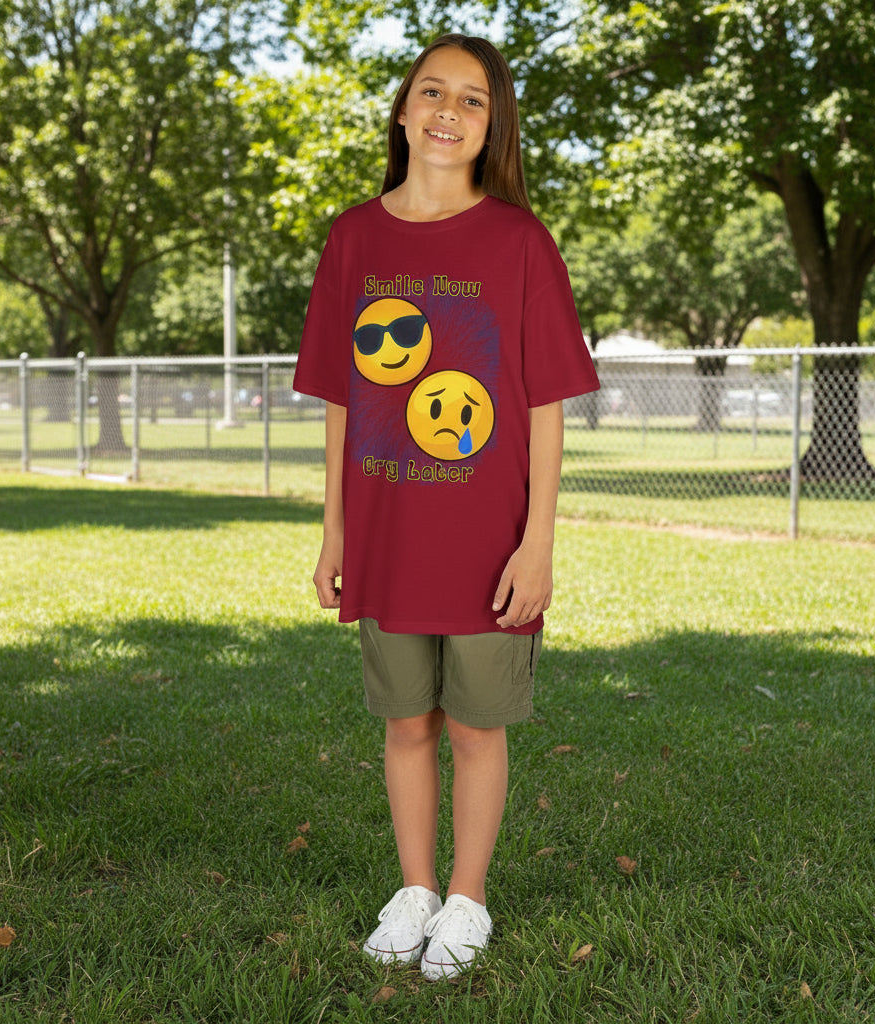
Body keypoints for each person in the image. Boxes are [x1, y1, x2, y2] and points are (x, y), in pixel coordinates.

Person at [293, 33, 599, 981]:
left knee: (475, 725)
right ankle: (416, 887)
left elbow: (545, 401)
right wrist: (336, 530)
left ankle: (467, 898)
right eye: (433, 91)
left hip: (486, 539)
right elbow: (346, 398)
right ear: (402, 109)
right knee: (405, 724)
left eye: (473, 100)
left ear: (490, 126)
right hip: (390, 534)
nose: (448, 112)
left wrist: (537, 540)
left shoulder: (517, 240)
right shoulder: (355, 236)